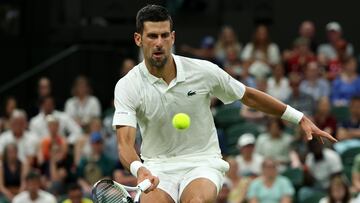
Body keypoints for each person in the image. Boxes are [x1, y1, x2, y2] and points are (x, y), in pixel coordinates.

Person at [113, 5, 336, 203]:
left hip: (201, 161)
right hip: (157, 166)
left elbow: (247, 95)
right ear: (138, 39)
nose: (159, 43)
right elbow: (125, 143)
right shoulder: (128, 85)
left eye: (164, 35)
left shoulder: (202, 71)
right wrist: (139, 169)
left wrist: (299, 118)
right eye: (152, 36)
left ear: (172, 37)